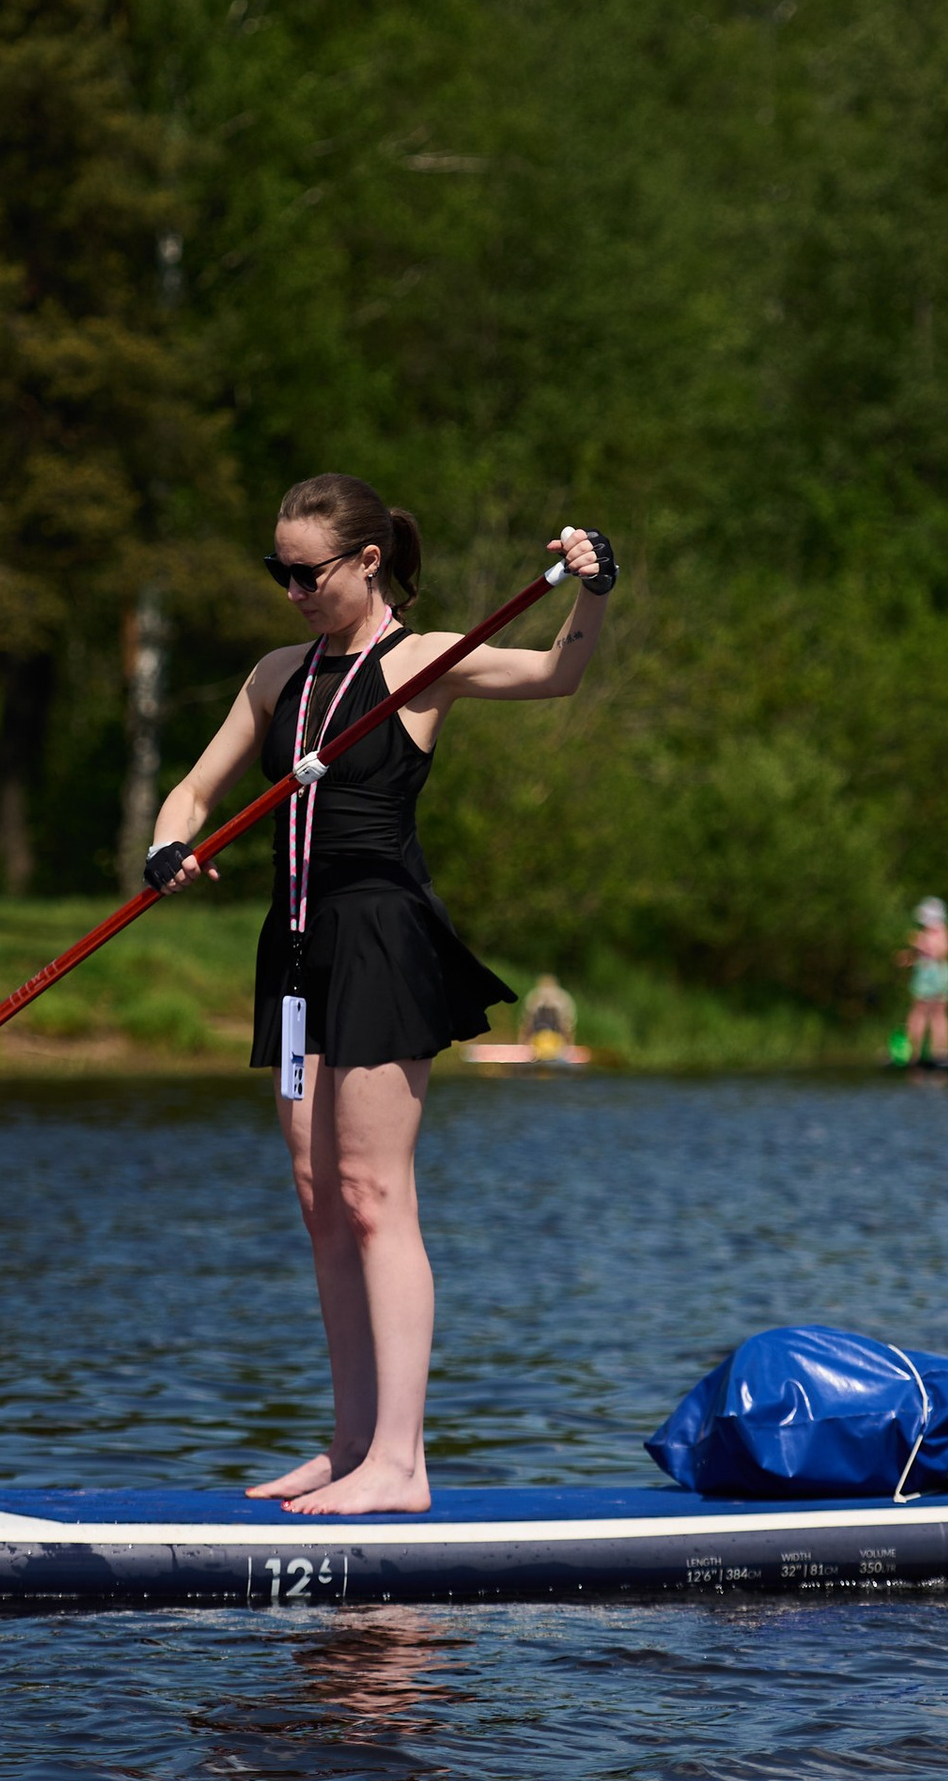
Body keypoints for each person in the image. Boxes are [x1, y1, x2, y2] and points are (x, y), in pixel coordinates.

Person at [148, 477, 616, 1513]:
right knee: (320, 1203)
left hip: (381, 936)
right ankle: (351, 1442)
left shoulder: (423, 663)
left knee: (372, 1194)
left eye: (306, 572)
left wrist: (591, 589)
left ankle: (401, 1462)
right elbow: (191, 789)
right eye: (278, 571)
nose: (290, 590)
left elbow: (554, 674)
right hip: (298, 944)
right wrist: (167, 840)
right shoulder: (277, 675)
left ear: (365, 562)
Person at [892, 897, 948, 1068]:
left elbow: (939, 953)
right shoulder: (931, 933)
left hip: (935, 975)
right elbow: (921, 955)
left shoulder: (939, 932)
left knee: (934, 1013)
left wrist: (921, 943)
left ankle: (938, 1052)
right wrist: (907, 958)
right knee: (921, 1012)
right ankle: (917, 1052)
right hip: (929, 973)